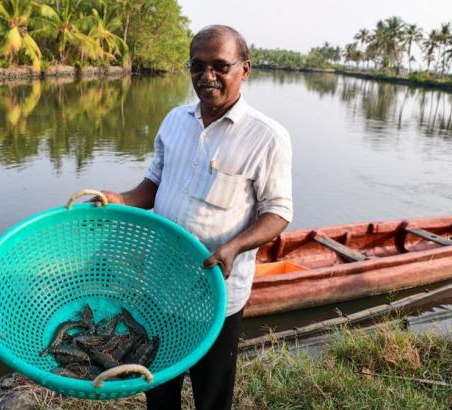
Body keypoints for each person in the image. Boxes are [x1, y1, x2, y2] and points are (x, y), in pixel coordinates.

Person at [96, 24, 293, 410]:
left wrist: (234, 247)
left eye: (221, 66)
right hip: (159, 286)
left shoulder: (267, 137)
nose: (207, 77)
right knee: (159, 387)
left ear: (245, 69)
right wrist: (118, 198)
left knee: (212, 396)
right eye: (198, 66)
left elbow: (278, 212)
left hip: (215, 292)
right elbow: (153, 183)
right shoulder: (174, 120)